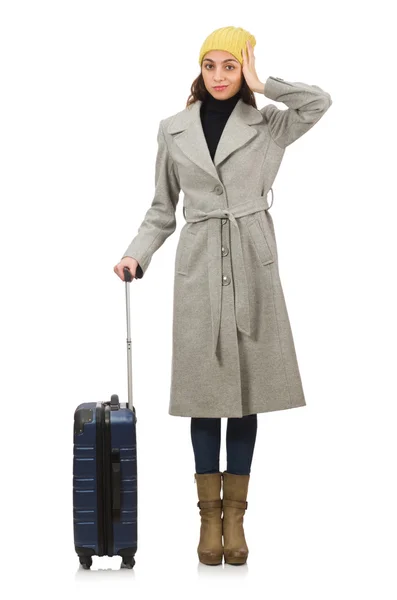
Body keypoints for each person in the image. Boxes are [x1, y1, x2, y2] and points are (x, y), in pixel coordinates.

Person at [114, 26, 332, 566]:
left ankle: (236, 519)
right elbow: (162, 208)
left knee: (247, 395)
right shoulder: (173, 130)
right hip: (199, 264)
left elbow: (319, 102)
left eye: (230, 66)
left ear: (244, 68)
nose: (218, 76)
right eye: (210, 65)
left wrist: (265, 82)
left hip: (253, 258)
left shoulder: (269, 124)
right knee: (205, 395)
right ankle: (208, 520)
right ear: (198, 68)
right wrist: (135, 254)